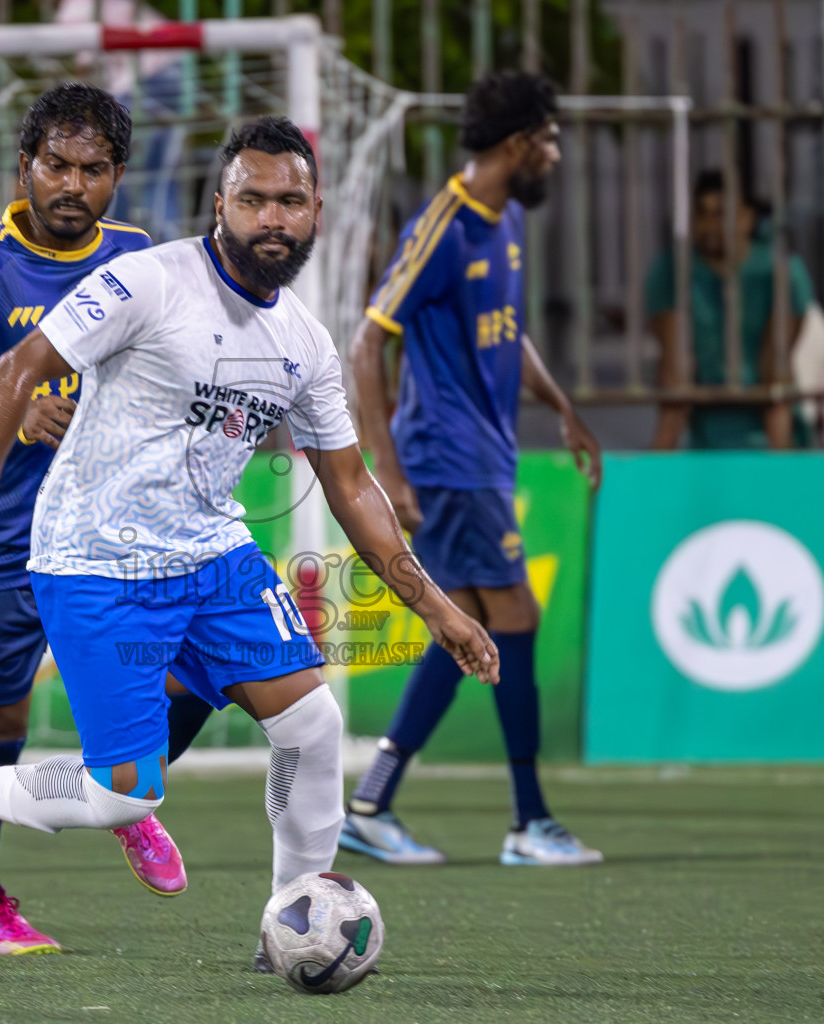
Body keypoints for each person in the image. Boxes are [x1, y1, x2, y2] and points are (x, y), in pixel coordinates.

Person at [0, 116, 500, 966]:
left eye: (289, 200)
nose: (272, 217)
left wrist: (436, 607)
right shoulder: (145, 282)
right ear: (218, 203)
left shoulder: (303, 341)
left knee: (313, 725)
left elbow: (351, 485)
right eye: (252, 198)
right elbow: (16, 372)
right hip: (95, 559)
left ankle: (290, 926)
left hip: (211, 557)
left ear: (315, 211)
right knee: (123, 796)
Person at [0, 83, 192, 957]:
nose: (72, 184)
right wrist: (6, 408)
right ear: (24, 167)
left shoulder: (141, 256)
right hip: (1, 534)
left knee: (180, 671)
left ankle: (125, 801)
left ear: (118, 177)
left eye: (92, 169)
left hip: (116, 530)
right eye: (55, 165)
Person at [340, 71, 602, 868]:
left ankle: (371, 802)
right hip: (449, 460)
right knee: (512, 615)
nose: (556, 154)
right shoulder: (444, 228)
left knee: (463, 630)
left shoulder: (509, 219)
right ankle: (529, 821)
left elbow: (505, 330)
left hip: (485, 455)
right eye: (551, 139)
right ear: (521, 143)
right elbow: (367, 340)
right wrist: (387, 465)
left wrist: (559, 403)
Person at [645, 169, 816, 450]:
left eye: (721, 213)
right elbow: (675, 374)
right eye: (702, 213)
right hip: (703, 442)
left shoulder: (780, 272)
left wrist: (783, 470)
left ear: (747, 218)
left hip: (771, 435)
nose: (710, 225)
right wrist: (657, 464)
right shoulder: (672, 272)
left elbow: (775, 369)